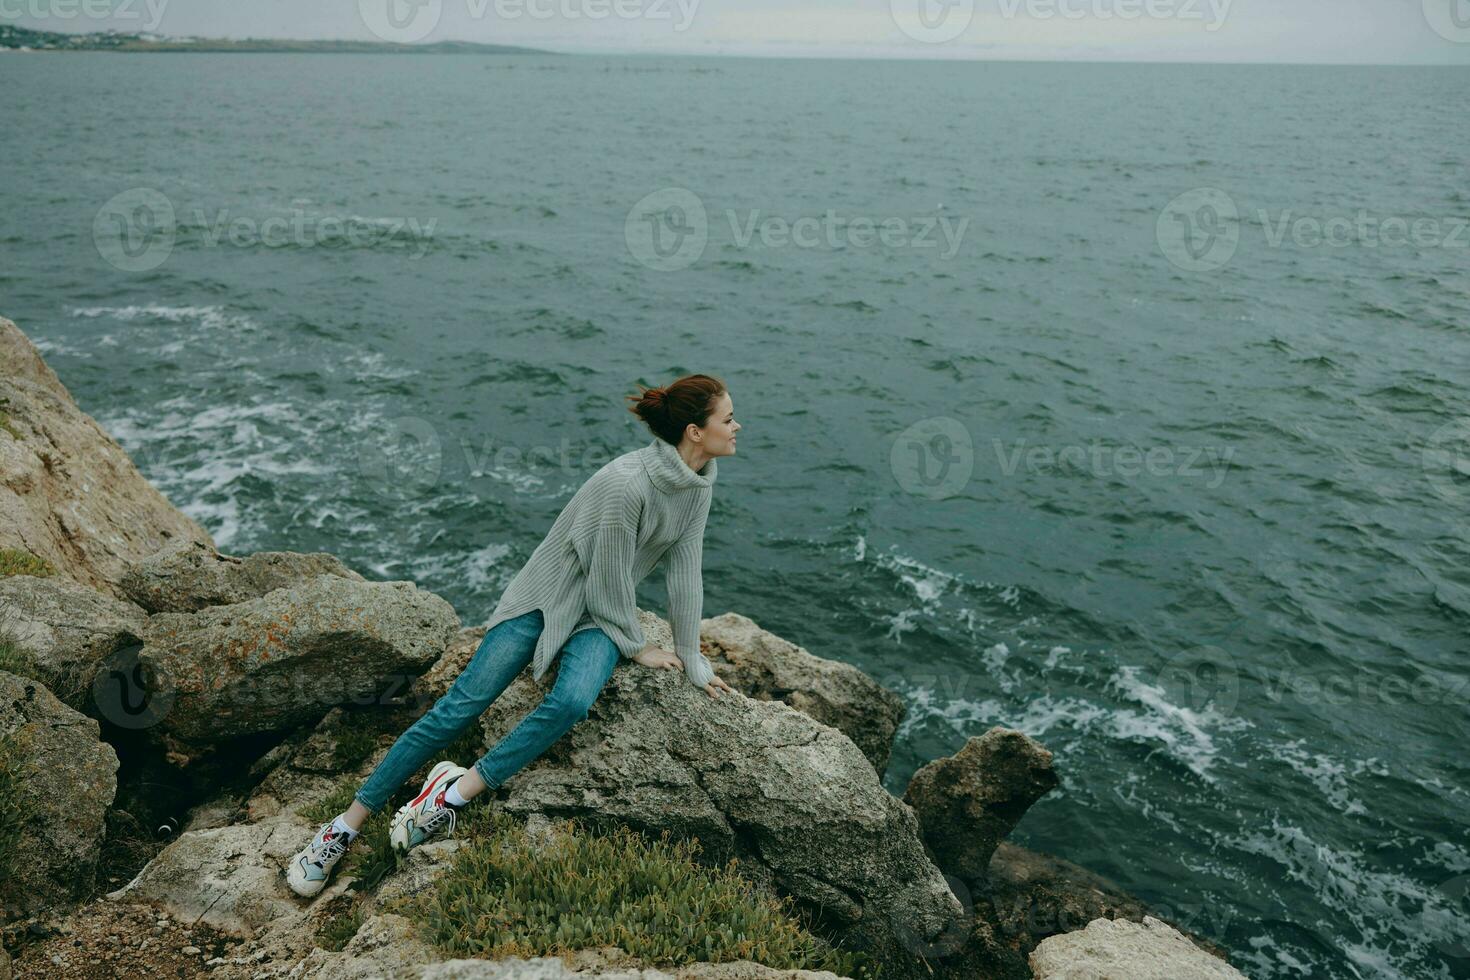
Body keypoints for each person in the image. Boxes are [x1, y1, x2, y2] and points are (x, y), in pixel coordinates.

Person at [286, 374, 740, 898]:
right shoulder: (627, 483)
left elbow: (686, 571)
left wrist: (690, 655)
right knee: (460, 706)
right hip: (547, 597)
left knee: (572, 700)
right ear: (694, 431)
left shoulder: (697, 483)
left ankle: (450, 795)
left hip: (599, 617)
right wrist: (638, 647)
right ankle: (343, 827)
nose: (737, 426)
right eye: (727, 418)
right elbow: (609, 577)